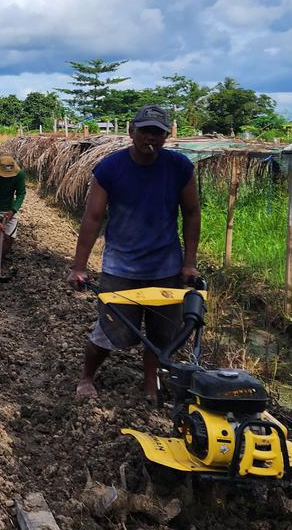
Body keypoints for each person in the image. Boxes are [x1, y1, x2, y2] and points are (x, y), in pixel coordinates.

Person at [69, 105, 200, 401]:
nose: (151, 138)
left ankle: (150, 383)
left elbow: (192, 213)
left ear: (167, 136)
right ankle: (87, 376)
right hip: (121, 268)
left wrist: (189, 262)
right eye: (145, 131)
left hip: (166, 267)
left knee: (162, 335)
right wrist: (79, 266)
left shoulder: (179, 167)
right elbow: (93, 217)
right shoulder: (110, 169)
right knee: (112, 331)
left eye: (158, 132)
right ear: (131, 132)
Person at [0, 154, 27, 273]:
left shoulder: (19, 175)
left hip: (9, 209)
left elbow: (21, 193)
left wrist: (13, 210)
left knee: (9, 238)